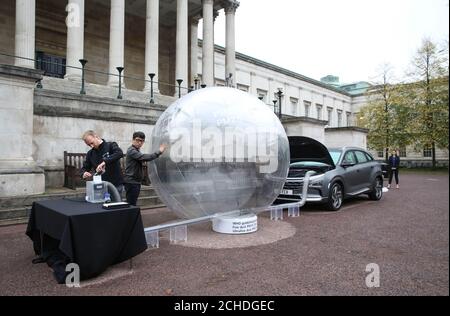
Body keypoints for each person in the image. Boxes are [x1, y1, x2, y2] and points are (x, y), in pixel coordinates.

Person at [124, 132, 167, 206]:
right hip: (131, 182)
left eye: (142, 141)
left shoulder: (136, 150)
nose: (139, 143)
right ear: (133, 140)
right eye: (137, 140)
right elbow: (145, 157)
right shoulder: (131, 150)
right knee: (131, 204)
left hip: (135, 181)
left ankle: (131, 217)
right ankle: (130, 217)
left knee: (132, 203)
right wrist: (159, 152)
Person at [80, 130, 124, 194]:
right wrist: (83, 173)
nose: (91, 146)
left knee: (116, 203)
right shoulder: (90, 153)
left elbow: (119, 153)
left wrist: (104, 162)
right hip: (100, 186)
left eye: (92, 143)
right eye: (89, 145)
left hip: (115, 184)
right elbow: (84, 168)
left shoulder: (111, 145)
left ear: (96, 137)